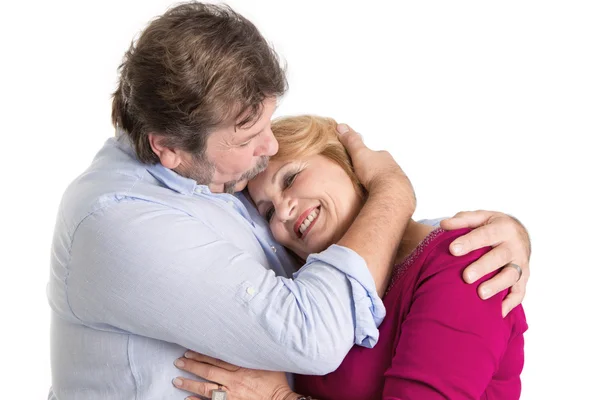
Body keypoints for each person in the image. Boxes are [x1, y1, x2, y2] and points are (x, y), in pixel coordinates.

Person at [47, 3, 531, 399]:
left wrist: (498, 230)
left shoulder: (216, 176)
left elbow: (402, 261)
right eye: (247, 138)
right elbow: (313, 331)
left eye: (268, 128)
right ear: (168, 150)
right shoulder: (120, 221)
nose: (269, 149)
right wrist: (392, 192)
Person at [173, 116, 529, 400]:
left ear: (347, 163)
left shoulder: (462, 262)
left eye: (291, 177)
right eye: (267, 213)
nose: (282, 210)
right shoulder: (319, 297)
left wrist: (279, 398)